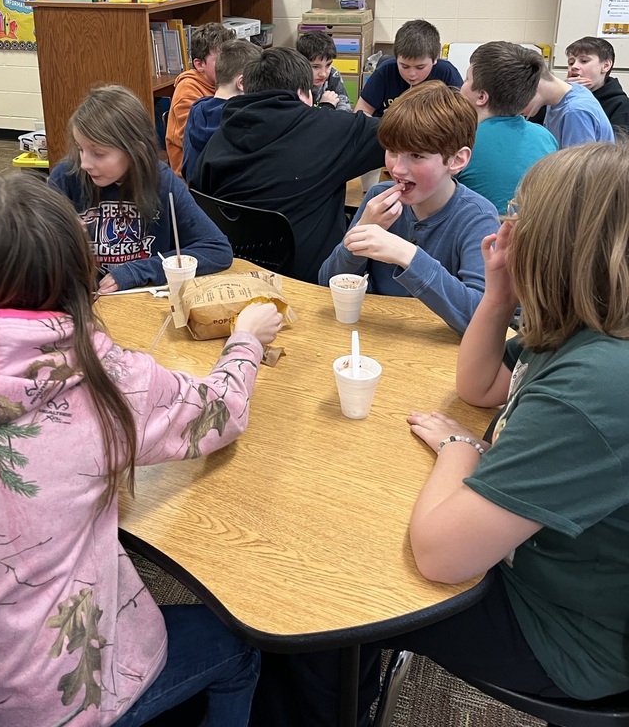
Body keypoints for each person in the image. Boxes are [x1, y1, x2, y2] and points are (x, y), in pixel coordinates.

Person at [0, 172, 282, 727]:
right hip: (41, 705)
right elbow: (219, 413)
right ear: (75, 269)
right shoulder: (101, 376)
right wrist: (247, 338)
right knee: (237, 646)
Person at [252, 141, 629, 727]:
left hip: (563, 632)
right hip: (539, 568)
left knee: (322, 604)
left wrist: (462, 449)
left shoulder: (601, 381)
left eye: (519, 216)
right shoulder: (582, 321)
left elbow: (441, 555)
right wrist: (499, 293)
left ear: (559, 244)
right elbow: (480, 385)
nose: (506, 228)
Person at [190, 49, 386, 284]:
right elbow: (405, 135)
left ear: (248, 88)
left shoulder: (218, 139)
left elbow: (198, 198)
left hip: (234, 278)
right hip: (313, 287)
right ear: (303, 94)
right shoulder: (334, 130)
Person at [319, 81, 498, 334]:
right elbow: (328, 283)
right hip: (375, 337)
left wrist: (406, 254)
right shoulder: (378, 197)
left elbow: (482, 319)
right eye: (392, 151)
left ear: (457, 160)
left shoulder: (477, 218)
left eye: (417, 156)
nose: (398, 169)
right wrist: (358, 234)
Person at [49, 85, 232, 292]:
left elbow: (217, 249)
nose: (85, 163)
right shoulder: (66, 177)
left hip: (142, 304)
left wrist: (138, 271)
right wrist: (58, 239)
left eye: (98, 153)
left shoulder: (163, 182)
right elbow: (30, 256)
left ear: (136, 150)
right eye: (80, 149)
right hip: (81, 305)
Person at [457, 41, 558, 213]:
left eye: (467, 79)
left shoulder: (461, 141)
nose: (462, 86)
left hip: (482, 236)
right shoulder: (546, 137)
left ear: (481, 96)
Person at [181, 38, 261, 183]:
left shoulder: (197, 109)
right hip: (234, 201)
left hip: (198, 198)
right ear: (242, 83)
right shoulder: (245, 118)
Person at [165, 22, 236, 176]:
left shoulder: (225, 83)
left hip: (219, 164)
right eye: (220, 60)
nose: (228, 65)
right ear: (199, 64)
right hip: (192, 178)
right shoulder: (187, 90)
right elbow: (200, 142)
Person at [354, 19, 462, 118]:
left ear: (435, 59)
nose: (411, 74)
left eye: (420, 67)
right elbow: (361, 112)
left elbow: (461, 116)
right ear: (396, 58)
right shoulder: (385, 71)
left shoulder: (446, 73)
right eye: (404, 66)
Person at [525, 66, 614, 147]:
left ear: (535, 87)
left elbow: (578, 164)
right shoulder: (569, 92)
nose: (516, 110)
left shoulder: (575, 112)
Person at [565, 35, 629, 134]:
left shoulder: (621, 105)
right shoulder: (561, 98)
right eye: (571, 62)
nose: (574, 67)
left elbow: (616, 147)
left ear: (605, 66)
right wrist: (561, 93)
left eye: (584, 61)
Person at [295, 31, 352, 112]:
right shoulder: (293, 79)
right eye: (315, 67)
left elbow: (345, 110)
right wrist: (326, 106)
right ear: (300, 63)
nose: (323, 74)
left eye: (328, 65)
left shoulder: (333, 75)